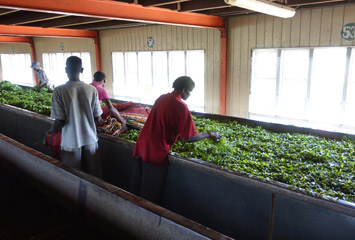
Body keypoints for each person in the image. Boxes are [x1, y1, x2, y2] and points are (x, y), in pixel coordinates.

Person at [130, 76, 221, 204]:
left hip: (142, 144)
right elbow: (189, 138)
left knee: (136, 186)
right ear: (183, 90)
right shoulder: (181, 107)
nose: (190, 94)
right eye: (190, 91)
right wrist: (210, 134)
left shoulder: (161, 98)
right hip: (156, 150)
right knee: (149, 194)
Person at [48, 56, 103, 178]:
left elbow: (60, 121)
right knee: (95, 176)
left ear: (66, 69)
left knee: (72, 177)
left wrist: (51, 131)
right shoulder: (91, 89)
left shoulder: (59, 91)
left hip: (71, 141)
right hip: (90, 139)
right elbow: (97, 118)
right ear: (82, 70)